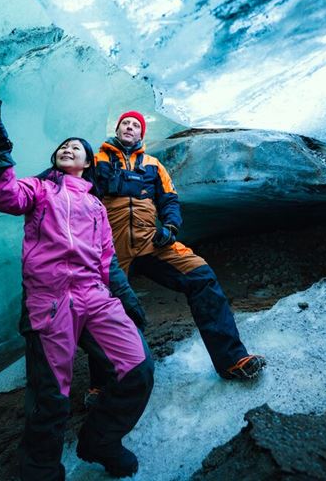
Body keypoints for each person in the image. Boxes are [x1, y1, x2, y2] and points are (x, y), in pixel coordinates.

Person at [0, 94, 153, 480]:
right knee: (50, 397)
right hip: (50, 302)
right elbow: (2, 196)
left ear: (88, 163)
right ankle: (40, 469)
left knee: (138, 368)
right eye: (63, 146)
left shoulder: (95, 206)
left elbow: (108, 261)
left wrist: (128, 300)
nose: (67, 148)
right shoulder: (38, 190)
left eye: (76, 147)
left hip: (96, 298)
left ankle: (101, 441)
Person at [90, 110, 265, 389]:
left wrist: (170, 228)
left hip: (150, 240)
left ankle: (233, 360)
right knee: (102, 309)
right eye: (126, 123)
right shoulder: (96, 160)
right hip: (110, 247)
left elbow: (169, 199)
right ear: (117, 129)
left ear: (141, 134)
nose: (130, 127)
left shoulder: (153, 165)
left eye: (136, 125)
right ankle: (102, 384)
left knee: (202, 276)